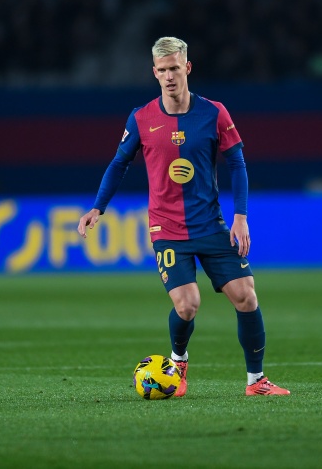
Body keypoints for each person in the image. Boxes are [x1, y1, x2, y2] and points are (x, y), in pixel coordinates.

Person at [77, 37, 290, 397]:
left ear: (187, 68)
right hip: (167, 228)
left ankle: (256, 381)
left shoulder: (214, 113)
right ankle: (178, 362)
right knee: (188, 304)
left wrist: (240, 216)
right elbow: (118, 164)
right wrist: (98, 206)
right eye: (162, 70)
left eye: (174, 68)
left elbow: (237, 164)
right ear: (154, 73)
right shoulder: (141, 117)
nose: (169, 76)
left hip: (210, 223)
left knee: (246, 296)